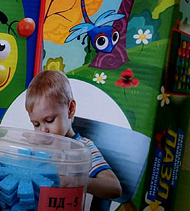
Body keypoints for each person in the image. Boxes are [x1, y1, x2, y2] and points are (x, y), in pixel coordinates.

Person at [25, 70, 121, 199]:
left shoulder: (83, 148)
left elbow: (114, 188)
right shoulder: (38, 146)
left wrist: (75, 182)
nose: (43, 131)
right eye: (36, 124)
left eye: (50, 120)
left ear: (70, 110)